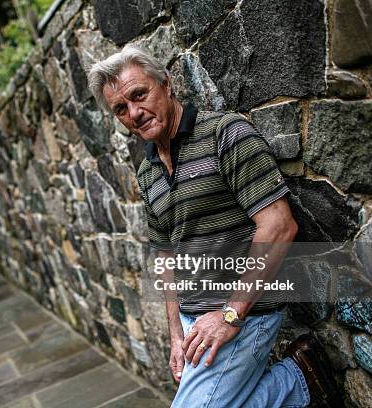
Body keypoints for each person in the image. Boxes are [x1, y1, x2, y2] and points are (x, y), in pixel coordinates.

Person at [87, 45, 341, 407]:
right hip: (193, 323)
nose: (135, 113)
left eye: (139, 95)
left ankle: (295, 383)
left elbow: (280, 227)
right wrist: (176, 334)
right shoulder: (147, 172)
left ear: (166, 84)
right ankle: (300, 383)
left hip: (245, 313)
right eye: (121, 109)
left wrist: (229, 316)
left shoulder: (226, 134)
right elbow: (166, 257)